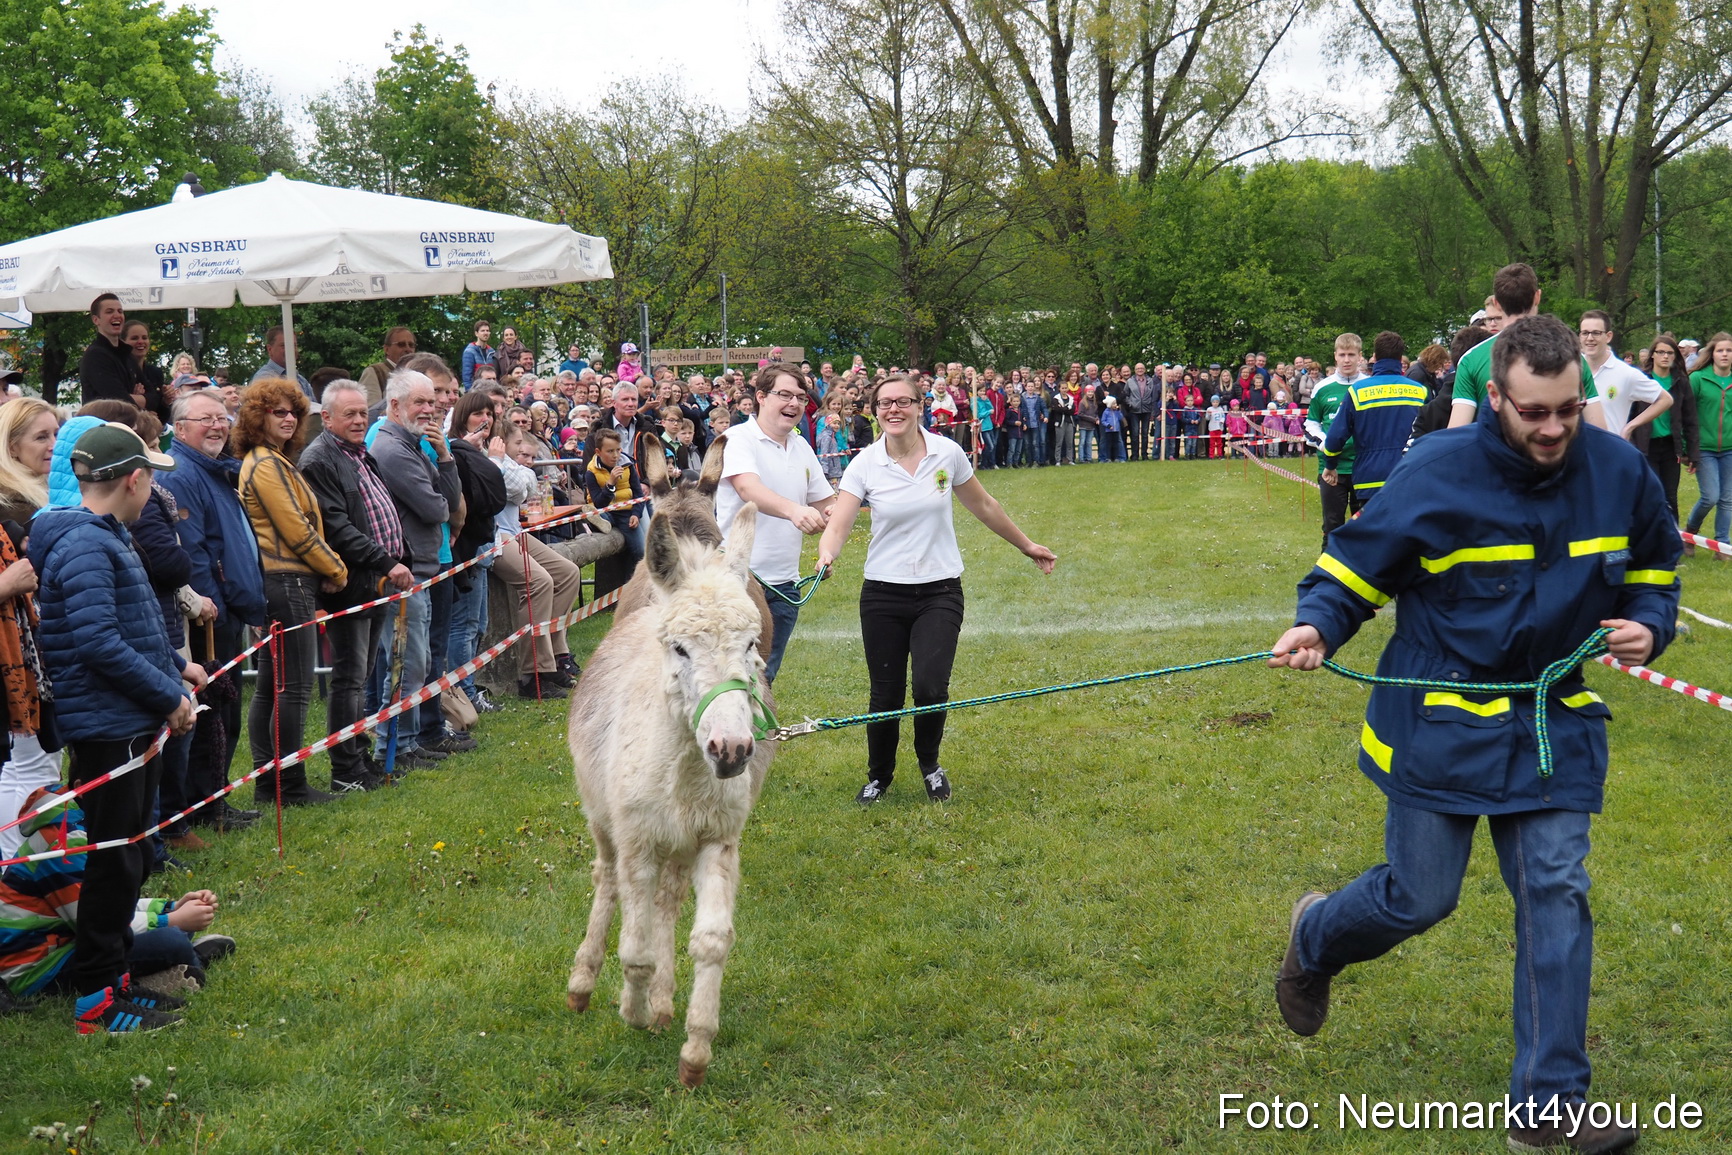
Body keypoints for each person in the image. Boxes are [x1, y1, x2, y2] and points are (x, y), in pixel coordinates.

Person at [1268, 315, 1680, 1154]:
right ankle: (1316, 934)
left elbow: (1653, 566)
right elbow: (1353, 567)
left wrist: (1648, 621)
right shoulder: (1437, 471)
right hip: (1440, 711)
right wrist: (1318, 624)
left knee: (1555, 891)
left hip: (1545, 715)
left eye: (1568, 408)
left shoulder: (1617, 470)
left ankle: (1548, 1106)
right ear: (1495, 397)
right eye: (1535, 412)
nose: (1555, 428)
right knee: (1420, 896)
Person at [31, 422, 207, 1033]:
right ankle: (96, 1003)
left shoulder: (110, 537)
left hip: (129, 718)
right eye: (151, 477)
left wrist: (176, 673)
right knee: (113, 862)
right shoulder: (85, 545)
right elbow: (100, 643)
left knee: (129, 855)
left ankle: (121, 976)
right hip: (110, 727)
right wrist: (166, 697)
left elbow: (138, 632)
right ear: (134, 479)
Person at [817, 374, 1056, 805]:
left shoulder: (946, 452)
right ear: (874, 409)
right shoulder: (864, 463)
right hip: (883, 594)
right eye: (885, 403)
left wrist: (1027, 545)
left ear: (919, 405)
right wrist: (826, 555)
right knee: (885, 692)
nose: (894, 409)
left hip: (940, 590)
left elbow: (983, 504)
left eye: (903, 402)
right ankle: (879, 776)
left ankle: (929, 764)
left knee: (929, 687)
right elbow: (840, 522)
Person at [1, 784, 236, 1005]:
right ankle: (187, 960)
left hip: (67, 943)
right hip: (36, 971)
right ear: (86, 786)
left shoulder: (83, 825)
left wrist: (168, 907)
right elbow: (98, 924)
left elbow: (109, 903)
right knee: (171, 940)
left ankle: (174, 959)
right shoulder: (64, 844)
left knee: (172, 933)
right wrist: (171, 920)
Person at [236, 379, 349, 806]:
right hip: (287, 582)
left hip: (283, 580)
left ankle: (273, 784)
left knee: (272, 685)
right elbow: (297, 531)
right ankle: (289, 785)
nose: (287, 418)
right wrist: (335, 567)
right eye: (277, 411)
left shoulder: (272, 461)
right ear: (256, 416)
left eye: (293, 412)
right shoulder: (266, 464)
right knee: (293, 687)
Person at [299, 381, 414, 791]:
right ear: (326, 418)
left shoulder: (360, 453)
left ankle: (358, 757)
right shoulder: (319, 460)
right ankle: (345, 769)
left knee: (361, 675)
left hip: (377, 579)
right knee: (349, 677)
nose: (359, 420)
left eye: (363, 413)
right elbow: (337, 527)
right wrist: (388, 561)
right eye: (349, 414)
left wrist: (397, 560)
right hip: (350, 583)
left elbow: (381, 511)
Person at [162, 389, 268, 834]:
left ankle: (216, 795)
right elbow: (196, 555)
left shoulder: (219, 470)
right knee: (213, 715)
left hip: (230, 609)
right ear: (180, 428)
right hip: (210, 618)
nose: (218, 426)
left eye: (223, 418)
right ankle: (206, 804)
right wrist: (218, 610)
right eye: (206, 419)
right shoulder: (183, 473)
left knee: (225, 709)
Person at [716, 364, 837, 684]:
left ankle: (756, 734)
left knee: (764, 679)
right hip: (737, 581)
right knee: (728, 677)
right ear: (760, 397)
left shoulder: (801, 446)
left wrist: (829, 546)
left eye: (800, 397)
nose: (794, 403)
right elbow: (748, 489)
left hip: (784, 586)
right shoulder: (737, 438)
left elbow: (827, 504)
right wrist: (795, 511)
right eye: (784, 395)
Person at [366, 371, 461, 769]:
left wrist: (444, 456)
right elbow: (436, 509)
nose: (430, 409)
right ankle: (392, 747)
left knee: (415, 662)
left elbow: (450, 500)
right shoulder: (391, 449)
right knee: (406, 663)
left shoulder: (417, 444)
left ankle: (405, 742)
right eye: (419, 402)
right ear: (393, 406)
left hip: (422, 567)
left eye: (431, 402)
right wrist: (441, 496)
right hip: (404, 573)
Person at [1449, 264, 1607, 430]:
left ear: (1497, 303)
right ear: (1537, 297)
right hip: (1558, 451)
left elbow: (1456, 431)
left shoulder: (1471, 359)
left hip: (1496, 454)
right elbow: (1600, 430)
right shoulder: (1573, 356)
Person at [491, 425, 582, 699]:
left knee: (568, 573)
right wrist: (516, 475)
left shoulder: (506, 462)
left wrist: (518, 473)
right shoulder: (489, 458)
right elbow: (516, 488)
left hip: (515, 532)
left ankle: (555, 653)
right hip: (495, 537)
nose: (522, 450)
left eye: (523, 444)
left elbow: (528, 484)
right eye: (517, 443)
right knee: (539, 581)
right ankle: (534, 672)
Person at [1321, 331, 1427, 512]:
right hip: (1409, 475)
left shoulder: (1358, 391)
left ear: (1374, 357)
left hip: (1370, 478)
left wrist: (1330, 464)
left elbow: (1336, 436)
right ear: (1401, 358)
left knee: (1373, 536)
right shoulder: (1420, 392)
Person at [1306, 334, 1362, 546]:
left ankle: (1363, 575)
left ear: (1360, 357)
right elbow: (1311, 424)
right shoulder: (1322, 387)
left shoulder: (1369, 385)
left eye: (1351, 355)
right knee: (1332, 526)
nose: (1347, 360)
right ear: (1335, 357)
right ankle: (1327, 577)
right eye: (1342, 355)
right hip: (1331, 470)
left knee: (1364, 527)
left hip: (1363, 467)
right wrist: (1328, 446)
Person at [1635, 333, 1698, 521]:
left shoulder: (1681, 382)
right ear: (1652, 354)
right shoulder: (1641, 380)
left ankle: (1673, 539)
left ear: (1675, 356)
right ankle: (1650, 538)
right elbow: (1630, 414)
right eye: (1660, 352)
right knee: (1652, 492)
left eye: (1670, 353)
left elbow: (1690, 419)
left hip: (1670, 446)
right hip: (1646, 446)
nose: (1665, 356)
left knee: (1670, 495)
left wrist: (1693, 453)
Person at [1577, 310, 1669, 438]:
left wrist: (1630, 426)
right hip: (1574, 453)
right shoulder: (1571, 368)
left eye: (1596, 333)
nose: (1590, 338)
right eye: (1585, 333)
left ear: (1608, 336)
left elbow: (1665, 399)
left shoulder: (1626, 373)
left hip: (1609, 452)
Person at [1685, 331, 1732, 558]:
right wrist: (1686, 449)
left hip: (1730, 450)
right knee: (1710, 497)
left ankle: (1722, 545)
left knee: (1727, 499)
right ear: (1712, 354)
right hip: (1704, 449)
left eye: (1729, 350)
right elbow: (1686, 414)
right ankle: (1690, 533)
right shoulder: (1698, 379)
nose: (1724, 354)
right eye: (1720, 350)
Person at [584, 429, 646, 570]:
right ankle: (596, 520)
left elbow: (638, 494)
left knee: (640, 551)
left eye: (618, 450)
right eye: (610, 451)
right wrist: (610, 484)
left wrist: (636, 514)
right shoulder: (591, 472)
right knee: (599, 512)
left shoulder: (628, 465)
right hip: (605, 509)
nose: (615, 455)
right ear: (598, 452)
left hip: (625, 512)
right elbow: (599, 503)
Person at [75, 294, 143, 408]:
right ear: (96, 320)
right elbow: (120, 401)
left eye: (120, 311)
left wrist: (135, 400)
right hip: (105, 424)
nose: (117, 315)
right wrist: (140, 403)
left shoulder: (127, 354)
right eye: (109, 311)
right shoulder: (95, 356)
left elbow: (154, 395)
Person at [357, 327, 417, 408]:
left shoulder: (419, 375)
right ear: (386, 349)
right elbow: (371, 411)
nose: (408, 349)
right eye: (401, 345)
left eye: (411, 345)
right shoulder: (375, 372)